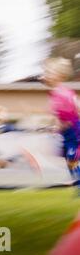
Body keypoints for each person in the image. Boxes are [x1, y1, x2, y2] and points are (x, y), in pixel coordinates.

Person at [41, 57, 80, 194]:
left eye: (48, 72)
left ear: (59, 75)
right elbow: (60, 116)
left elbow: (75, 110)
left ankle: (78, 182)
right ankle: (76, 181)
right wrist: (56, 127)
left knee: (72, 160)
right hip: (67, 134)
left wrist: (64, 126)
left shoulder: (63, 93)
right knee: (68, 161)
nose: (44, 75)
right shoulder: (55, 93)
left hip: (74, 133)